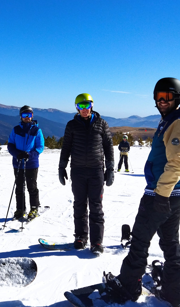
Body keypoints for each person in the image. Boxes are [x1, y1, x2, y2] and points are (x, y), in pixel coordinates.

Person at [102, 78, 180, 307]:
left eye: (167, 97)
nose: (162, 101)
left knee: (140, 241)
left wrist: (161, 195)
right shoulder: (171, 121)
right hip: (173, 192)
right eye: (158, 97)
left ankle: (127, 287)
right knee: (170, 243)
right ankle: (174, 294)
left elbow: (177, 162)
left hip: (163, 193)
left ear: (178, 98)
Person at [58, 93, 115, 254]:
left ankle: (96, 242)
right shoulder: (71, 125)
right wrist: (61, 167)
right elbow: (66, 147)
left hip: (96, 170)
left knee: (96, 206)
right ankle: (81, 237)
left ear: (92, 105)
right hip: (77, 171)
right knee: (79, 205)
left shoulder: (101, 124)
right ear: (77, 108)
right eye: (81, 106)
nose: (84, 109)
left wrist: (110, 169)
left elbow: (109, 148)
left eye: (87, 105)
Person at [7, 105, 45, 220]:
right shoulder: (16, 129)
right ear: (21, 116)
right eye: (25, 115)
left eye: (29, 115)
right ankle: (20, 209)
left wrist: (30, 154)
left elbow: (40, 147)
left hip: (31, 163)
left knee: (31, 186)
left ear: (32, 116)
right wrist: (17, 154)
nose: (27, 117)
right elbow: (10, 144)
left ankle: (34, 208)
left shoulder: (36, 130)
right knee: (19, 187)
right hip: (18, 162)